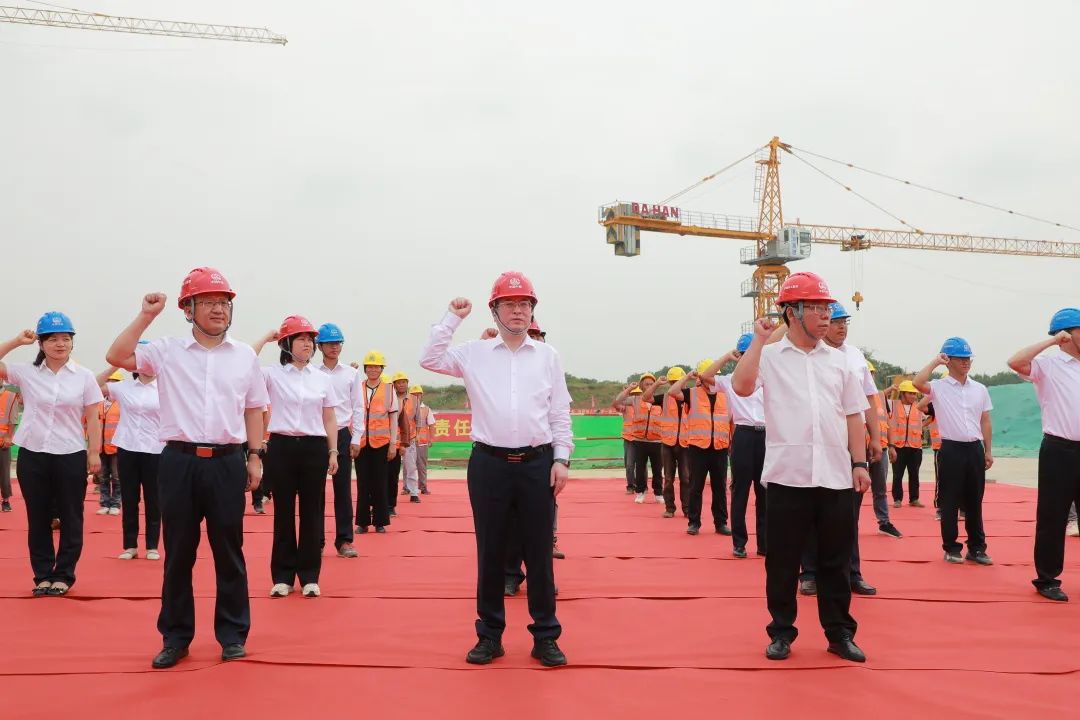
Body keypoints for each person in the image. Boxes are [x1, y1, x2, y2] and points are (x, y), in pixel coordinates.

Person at [105, 267, 269, 669]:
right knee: (178, 553)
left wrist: (254, 456)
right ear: (188, 309)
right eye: (208, 302)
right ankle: (176, 637)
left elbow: (253, 408)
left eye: (224, 302)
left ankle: (233, 635)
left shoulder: (245, 356)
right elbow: (116, 356)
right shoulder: (166, 351)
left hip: (227, 462)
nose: (218, 309)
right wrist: (146, 315)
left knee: (229, 552)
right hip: (178, 462)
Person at [420, 270, 572, 668]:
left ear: (532, 310)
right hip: (489, 464)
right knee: (490, 551)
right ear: (494, 310)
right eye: (510, 304)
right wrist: (452, 318)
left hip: (538, 463)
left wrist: (561, 458)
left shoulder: (548, 357)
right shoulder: (474, 353)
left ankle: (546, 636)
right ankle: (489, 635)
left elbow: (559, 413)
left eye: (525, 304)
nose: (518, 310)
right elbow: (429, 358)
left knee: (539, 551)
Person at [732, 271, 871, 664]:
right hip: (787, 476)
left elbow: (853, 415)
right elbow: (741, 387)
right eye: (817, 308)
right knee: (782, 562)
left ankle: (839, 634)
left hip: (835, 476)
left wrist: (859, 462)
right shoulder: (770, 357)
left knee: (835, 561)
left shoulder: (841, 362)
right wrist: (758, 341)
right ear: (792, 312)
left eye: (828, 307)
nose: (827, 315)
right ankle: (781, 632)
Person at [0, 313, 103, 597]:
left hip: (70, 453)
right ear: (41, 343)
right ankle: (43, 575)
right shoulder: (26, 373)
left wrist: (94, 453)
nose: (60, 344)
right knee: (38, 517)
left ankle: (64, 575)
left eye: (66, 339)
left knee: (71, 516)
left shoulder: (84, 377)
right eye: (53, 339)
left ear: (72, 342)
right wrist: (16, 341)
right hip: (33, 454)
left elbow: (93, 417)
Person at [254, 316, 340, 598]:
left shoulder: (322, 378)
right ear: (286, 344)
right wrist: (266, 337)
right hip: (282, 447)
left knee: (312, 513)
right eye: (301, 339)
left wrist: (333, 450)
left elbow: (329, 417)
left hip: (314, 448)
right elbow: (244, 364)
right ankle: (283, 576)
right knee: (284, 512)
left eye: (310, 340)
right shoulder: (272, 375)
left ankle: (310, 576)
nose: (308, 344)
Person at [1007, 308, 1080, 601]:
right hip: (1059, 450)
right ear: (1067, 334)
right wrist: (1051, 342)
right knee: (1053, 516)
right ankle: (1047, 579)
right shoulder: (1048, 365)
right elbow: (1015, 362)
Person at [913, 337, 993, 566]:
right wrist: (935, 362)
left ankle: (977, 548)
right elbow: (918, 382)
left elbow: (985, 420)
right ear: (948, 360)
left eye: (968, 358)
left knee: (975, 501)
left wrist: (988, 450)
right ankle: (951, 547)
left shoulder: (980, 389)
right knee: (949, 501)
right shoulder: (939, 388)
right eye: (960, 358)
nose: (966, 362)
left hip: (974, 449)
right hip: (951, 449)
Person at [702, 333, 767, 557]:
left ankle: (764, 544)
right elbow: (706, 376)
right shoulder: (729, 380)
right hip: (743, 435)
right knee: (740, 491)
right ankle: (739, 543)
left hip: (766, 436)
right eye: (745, 354)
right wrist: (726, 357)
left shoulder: (767, 378)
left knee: (764, 492)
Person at [99, 350, 165, 560]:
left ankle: (152, 546)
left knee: (154, 499)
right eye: (142, 360)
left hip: (155, 449)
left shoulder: (166, 387)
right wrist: (117, 364)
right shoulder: (123, 387)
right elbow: (92, 385)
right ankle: (130, 545)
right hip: (127, 447)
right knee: (129, 498)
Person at [668, 360, 731, 536]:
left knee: (720, 488)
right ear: (702, 378)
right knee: (696, 487)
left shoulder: (725, 395)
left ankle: (721, 523)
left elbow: (731, 420)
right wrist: (688, 376)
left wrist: (731, 442)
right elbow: (672, 392)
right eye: (710, 376)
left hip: (720, 448)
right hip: (698, 448)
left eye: (715, 376)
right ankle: (694, 522)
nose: (713, 379)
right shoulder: (692, 393)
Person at [315, 323, 359, 558]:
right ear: (319, 346)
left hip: (342, 434)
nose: (335, 347)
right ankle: (316, 541)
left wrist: (357, 437)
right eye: (330, 343)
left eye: (338, 343)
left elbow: (358, 407)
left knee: (343, 490)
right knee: (315, 491)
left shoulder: (351, 374)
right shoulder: (312, 373)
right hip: (316, 435)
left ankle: (344, 540)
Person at [349, 351, 399, 534]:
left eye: (376, 367)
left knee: (380, 483)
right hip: (361, 443)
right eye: (369, 367)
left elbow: (393, 418)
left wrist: (393, 444)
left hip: (381, 444)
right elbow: (351, 415)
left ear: (381, 369)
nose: (372, 370)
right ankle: (362, 522)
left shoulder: (389, 389)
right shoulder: (357, 387)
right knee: (362, 483)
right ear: (365, 369)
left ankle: (380, 521)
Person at [656, 366, 691, 519]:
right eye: (673, 381)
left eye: (678, 380)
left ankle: (687, 508)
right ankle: (670, 508)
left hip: (685, 444)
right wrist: (657, 384)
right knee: (668, 478)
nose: (676, 383)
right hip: (668, 444)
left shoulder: (691, 397)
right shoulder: (664, 398)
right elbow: (646, 398)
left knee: (686, 478)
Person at [889, 380, 926, 508]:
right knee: (897, 474)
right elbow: (880, 399)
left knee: (914, 474)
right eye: (910, 393)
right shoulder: (893, 405)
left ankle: (914, 499)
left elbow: (929, 416)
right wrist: (891, 446)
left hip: (915, 447)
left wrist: (921, 428)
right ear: (903, 394)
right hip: (898, 446)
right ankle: (897, 499)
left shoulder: (919, 407)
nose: (913, 396)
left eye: (914, 394)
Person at [94, 370, 124, 516]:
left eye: (114, 382)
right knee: (103, 476)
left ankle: (116, 503)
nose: (110, 385)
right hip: (100, 447)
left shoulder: (122, 403)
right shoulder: (98, 403)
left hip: (116, 446)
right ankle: (104, 503)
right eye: (109, 382)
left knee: (117, 477)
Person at [392, 372, 421, 503]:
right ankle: (390, 495)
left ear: (407, 384)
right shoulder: (391, 398)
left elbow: (418, 419)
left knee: (411, 466)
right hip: (393, 439)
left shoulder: (414, 399)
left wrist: (418, 434)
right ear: (394, 385)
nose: (401, 385)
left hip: (409, 439)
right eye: (398, 382)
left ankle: (414, 492)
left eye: (404, 382)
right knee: (392, 469)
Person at [408, 384, 437, 495]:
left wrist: (431, 439)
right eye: (413, 394)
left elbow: (432, 425)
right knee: (407, 466)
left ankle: (423, 487)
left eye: (418, 394)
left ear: (422, 395)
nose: (416, 396)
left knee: (422, 466)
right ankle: (406, 488)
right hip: (409, 442)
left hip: (422, 442)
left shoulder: (426, 409)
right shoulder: (406, 407)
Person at [0, 384, 22, 513]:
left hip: (2, 442)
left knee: (4, 472)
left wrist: (9, 437)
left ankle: (5, 500)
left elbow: (13, 420)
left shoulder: (10, 396)